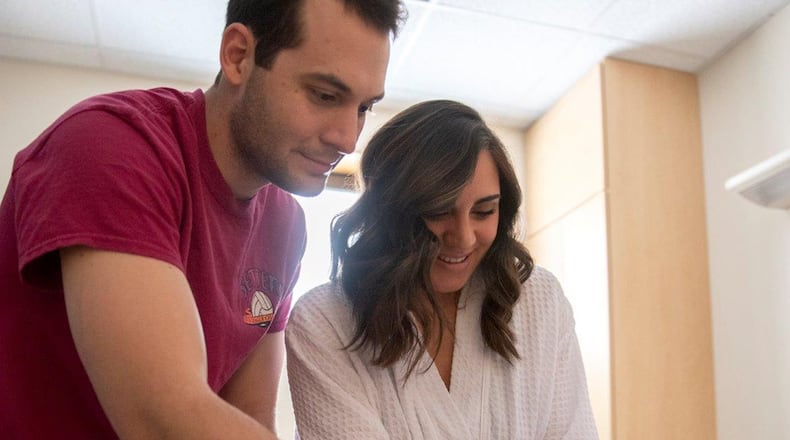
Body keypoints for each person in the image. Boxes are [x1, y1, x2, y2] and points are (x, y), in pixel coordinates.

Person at [0, 0, 405, 438]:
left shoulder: (284, 225)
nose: (347, 138)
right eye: (325, 95)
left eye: (364, 108)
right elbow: (164, 419)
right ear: (238, 56)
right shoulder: (110, 146)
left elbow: (249, 419)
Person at [285, 100, 599, 439]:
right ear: (390, 211)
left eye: (483, 212)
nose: (463, 238)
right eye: (439, 211)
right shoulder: (324, 322)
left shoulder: (539, 299)